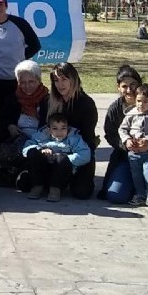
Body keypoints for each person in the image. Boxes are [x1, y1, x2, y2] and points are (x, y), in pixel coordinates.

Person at [98, 65, 148, 204]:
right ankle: (136, 187)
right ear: (118, 87)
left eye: (133, 85)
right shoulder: (115, 108)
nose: (129, 90)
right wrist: (126, 143)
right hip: (127, 156)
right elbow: (110, 134)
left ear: (139, 85)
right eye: (124, 86)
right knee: (115, 195)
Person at [0, 0, 41, 146]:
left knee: (15, 117)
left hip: (17, 82)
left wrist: (20, 61)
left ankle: (15, 148)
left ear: (6, 5)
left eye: (0, 5)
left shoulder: (20, 24)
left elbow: (35, 45)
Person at [0, 59, 49, 189]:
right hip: (18, 139)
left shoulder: (48, 100)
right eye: (23, 82)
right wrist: (10, 125)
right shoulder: (13, 98)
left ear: (39, 81)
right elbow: (2, 119)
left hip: (41, 140)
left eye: (31, 82)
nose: (27, 86)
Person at [47, 62, 99, 199]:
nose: (60, 84)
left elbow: (88, 137)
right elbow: (45, 129)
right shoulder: (51, 100)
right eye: (56, 80)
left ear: (73, 79)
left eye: (64, 79)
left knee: (81, 193)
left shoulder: (86, 103)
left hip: (79, 151)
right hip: (55, 151)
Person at [118, 83, 148, 209]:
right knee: (136, 176)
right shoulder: (130, 114)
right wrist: (127, 140)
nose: (141, 104)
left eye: (145, 101)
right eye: (139, 101)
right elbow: (122, 129)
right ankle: (140, 195)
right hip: (133, 154)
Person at [23, 113, 91, 202]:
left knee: (61, 158)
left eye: (63, 128)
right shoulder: (40, 137)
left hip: (62, 174)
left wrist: (66, 158)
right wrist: (40, 150)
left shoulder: (74, 139)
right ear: (49, 129)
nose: (59, 132)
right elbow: (26, 149)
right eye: (55, 128)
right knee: (33, 153)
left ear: (68, 128)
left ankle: (55, 189)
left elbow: (85, 155)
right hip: (44, 171)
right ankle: (37, 186)